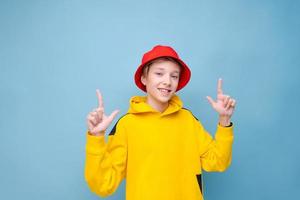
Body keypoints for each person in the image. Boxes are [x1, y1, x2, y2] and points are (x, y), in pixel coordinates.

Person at [85, 45, 236, 200]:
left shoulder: (188, 120)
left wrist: (224, 120)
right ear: (144, 78)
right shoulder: (127, 125)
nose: (167, 81)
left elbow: (219, 161)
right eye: (159, 73)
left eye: (174, 76)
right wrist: (96, 138)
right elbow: (103, 184)